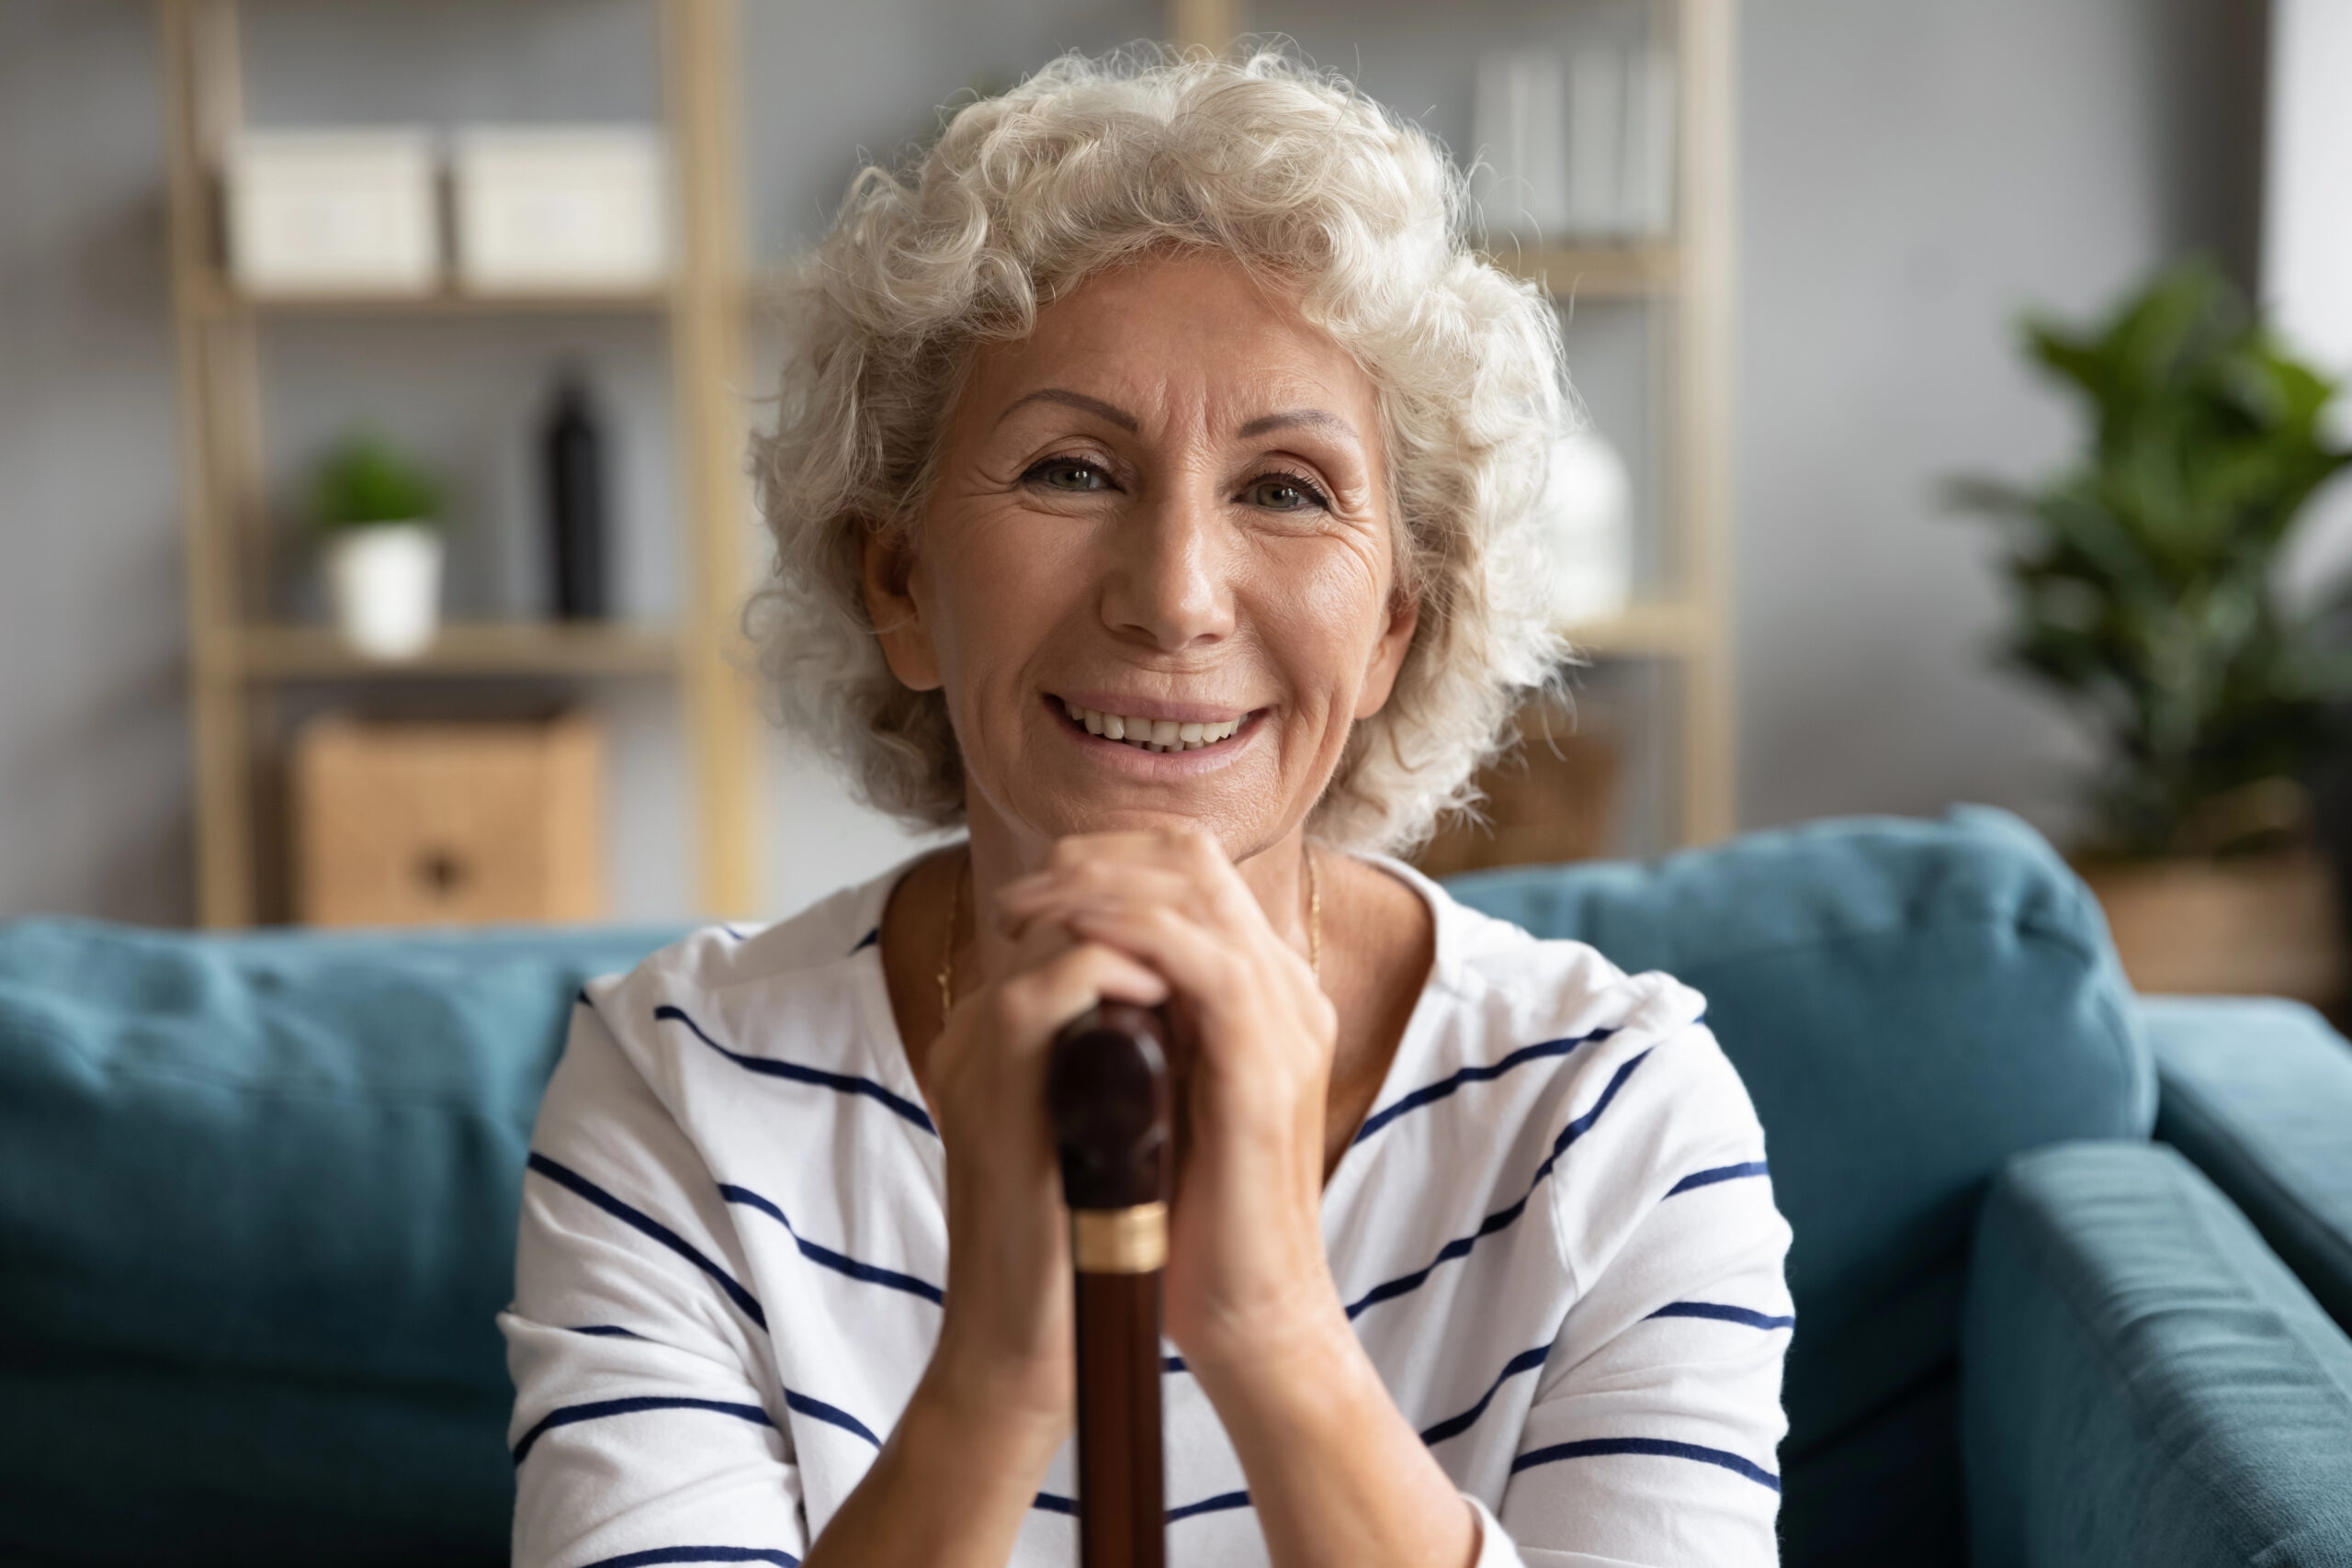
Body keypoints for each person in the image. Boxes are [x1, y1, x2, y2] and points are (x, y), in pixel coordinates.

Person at [503, 48, 1791, 1568]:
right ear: (901, 583)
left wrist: (1271, 1329)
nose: (1175, 597)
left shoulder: (1617, 1117)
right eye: (1067, 470)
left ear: (1394, 625)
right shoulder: (681, 1089)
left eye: (1291, 489)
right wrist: (995, 1370)